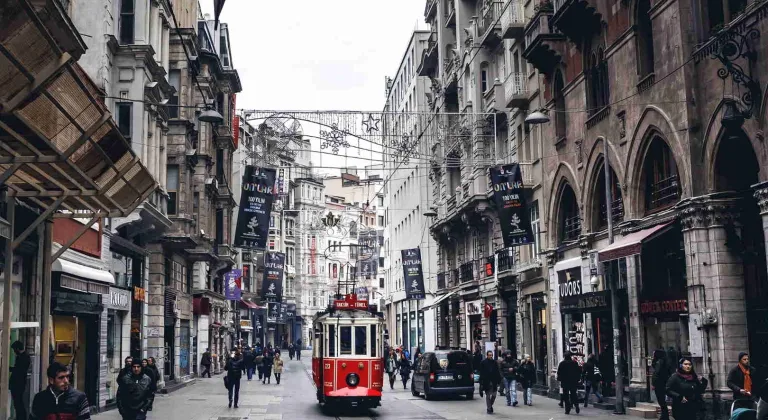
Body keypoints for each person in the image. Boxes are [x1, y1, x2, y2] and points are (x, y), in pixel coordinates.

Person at [10, 340, 31, 420]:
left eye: (15, 350)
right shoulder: (24, 356)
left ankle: (21, 418)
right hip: (19, 383)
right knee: (18, 402)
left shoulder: (23, 357)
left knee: (18, 402)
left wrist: (10, 368)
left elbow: (19, 370)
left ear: (18, 349)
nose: (14, 352)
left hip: (18, 383)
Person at [651, 349, 671, 420]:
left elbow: (656, 373)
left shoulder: (659, 362)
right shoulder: (665, 361)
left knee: (661, 401)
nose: (653, 355)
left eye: (654, 354)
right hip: (663, 383)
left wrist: (653, 383)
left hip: (659, 384)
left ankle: (664, 416)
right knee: (662, 401)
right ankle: (664, 416)